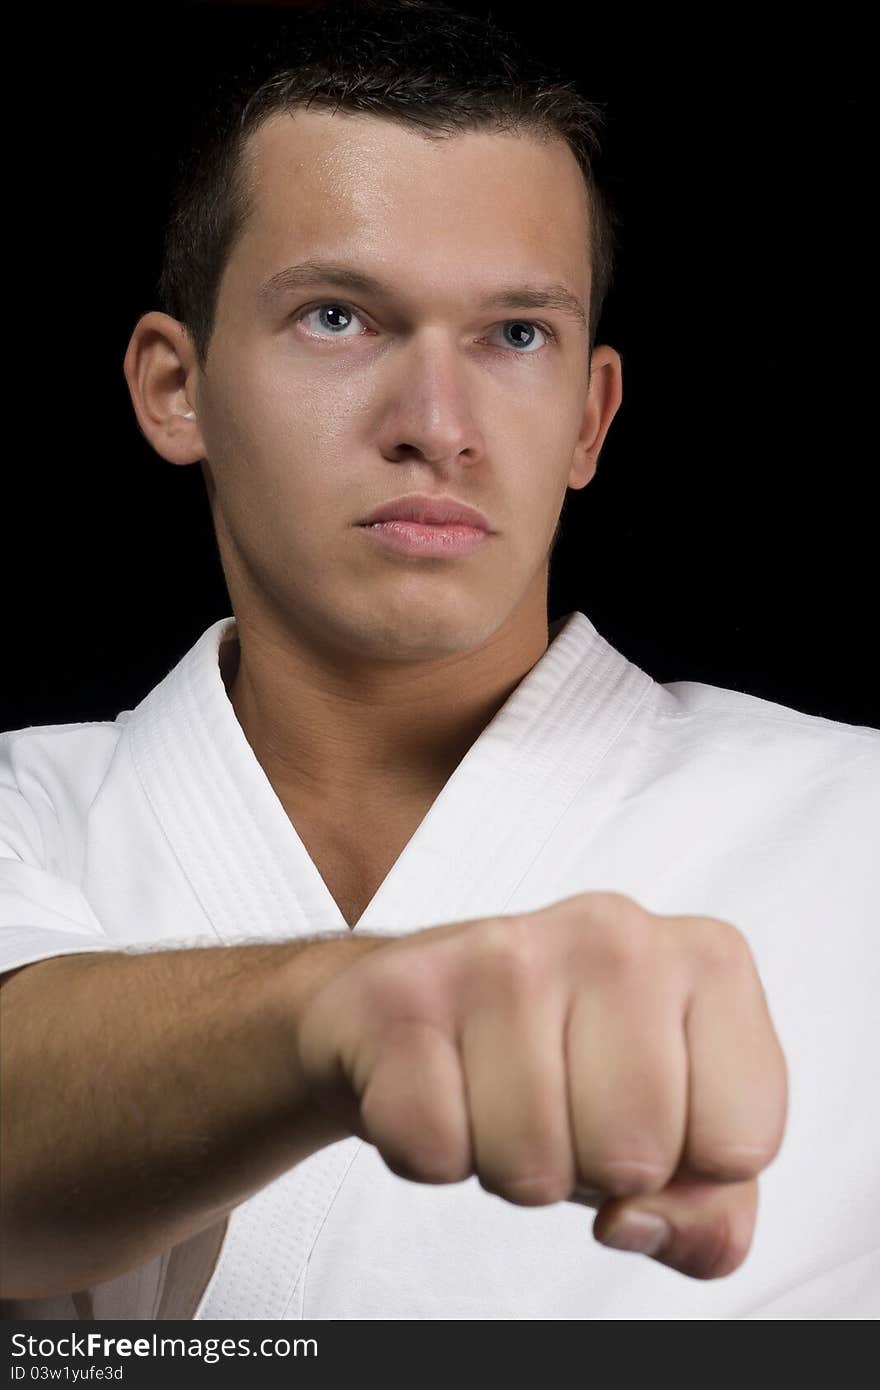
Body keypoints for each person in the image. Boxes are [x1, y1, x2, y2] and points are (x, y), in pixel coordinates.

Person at [1, 0, 877, 1321]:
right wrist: (346, 1012)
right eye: (341, 318)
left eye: (515, 334)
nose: (438, 427)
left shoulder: (854, 825)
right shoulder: (21, 805)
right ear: (173, 386)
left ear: (591, 417)